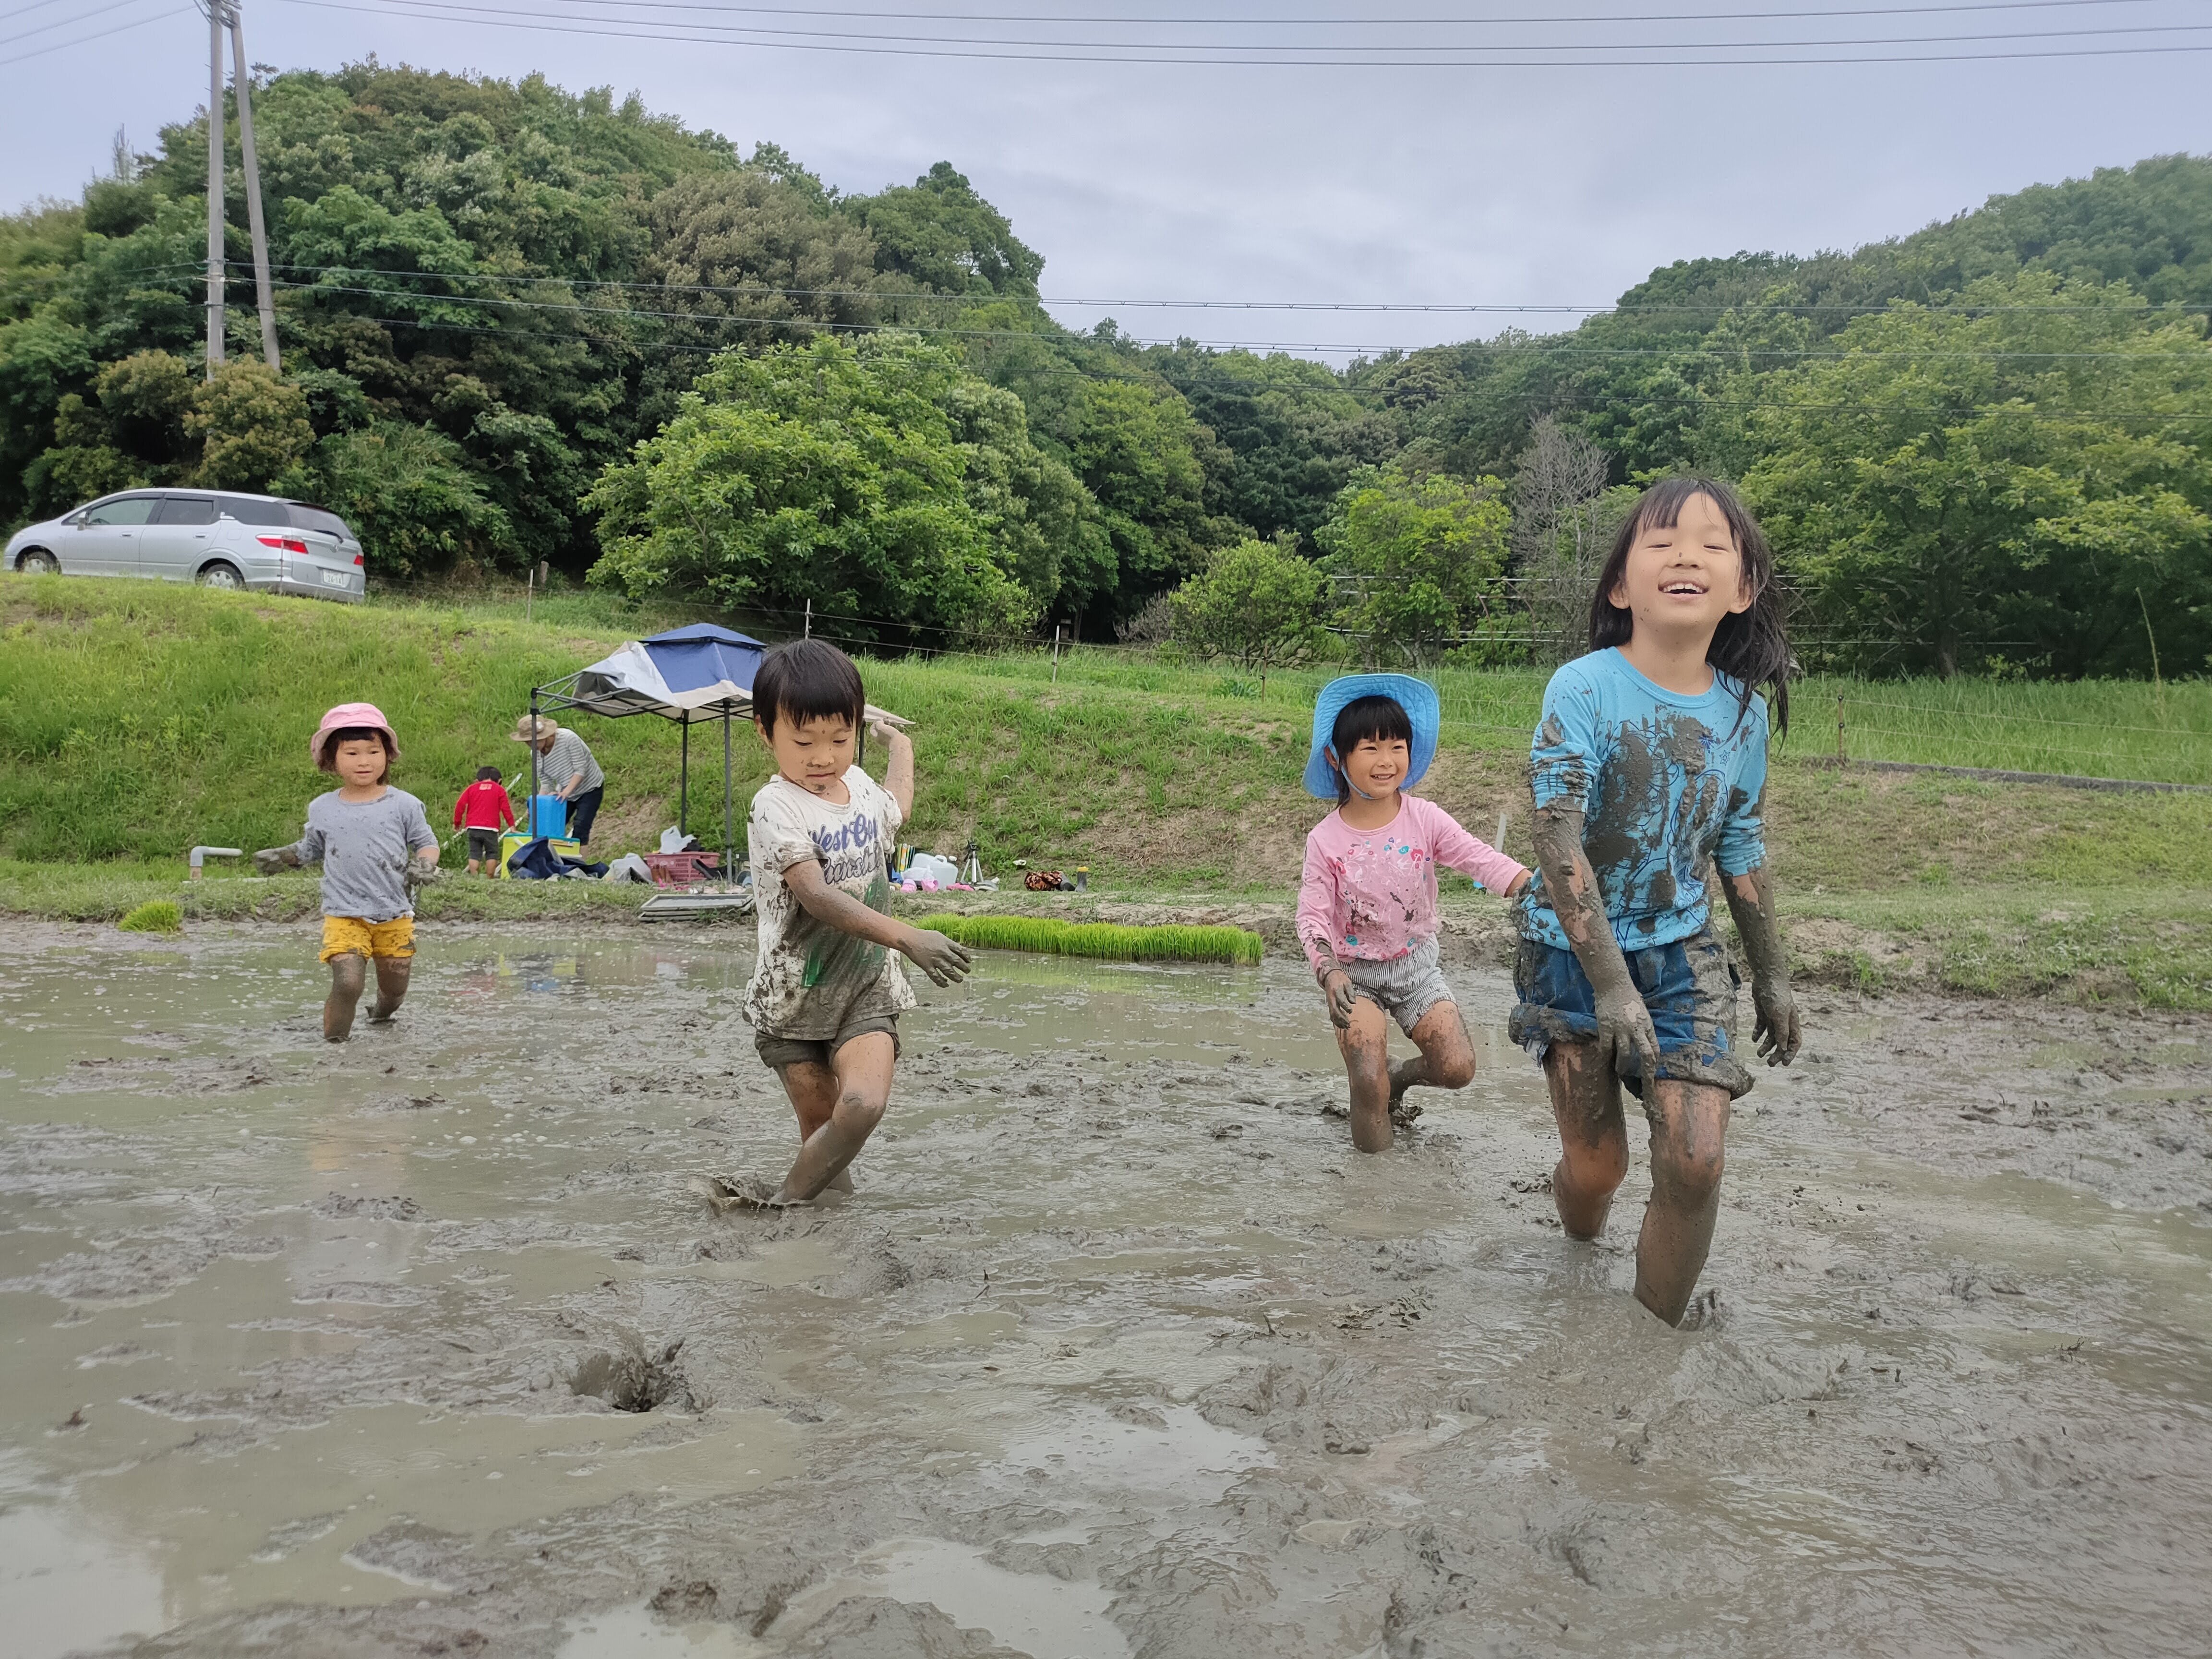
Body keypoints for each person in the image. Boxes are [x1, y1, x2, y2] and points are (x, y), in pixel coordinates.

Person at [1512, 476, 1802, 1328]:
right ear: (1618, 586)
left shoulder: (1743, 713)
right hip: (1571, 956)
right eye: (1663, 542)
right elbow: (1556, 841)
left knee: (1696, 1159)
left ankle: (1648, 1342)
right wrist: (1609, 983)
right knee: (1597, 1167)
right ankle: (1576, 1256)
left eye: (1712, 545)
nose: (1687, 557)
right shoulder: (1582, 688)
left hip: (1682, 955)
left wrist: (1773, 974)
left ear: (1743, 589)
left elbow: (1740, 842)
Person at [705, 639, 974, 1210]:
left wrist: (900, 744)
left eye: (840, 738)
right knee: (823, 1131)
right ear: (766, 732)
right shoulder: (775, 805)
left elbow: (898, 803)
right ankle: (821, 1229)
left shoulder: (863, 791)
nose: (823, 756)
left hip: (864, 987)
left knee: (862, 1106)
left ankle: (779, 1207)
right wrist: (907, 936)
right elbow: (815, 894)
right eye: (804, 742)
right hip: (793, 996)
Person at [1297, 675, 1531, 1154]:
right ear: (1336, 759)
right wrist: (1329, 972)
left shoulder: (1424, 819)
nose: (1386, 761)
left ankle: (1399, 1078)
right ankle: (1374, 1185)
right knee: (1367, 1080)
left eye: (1397, 747)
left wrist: (1534, 887)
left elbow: (1479, 858)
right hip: (1354, 975)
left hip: (1416, 969)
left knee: (1457, 1068)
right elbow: (1312, 917)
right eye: (1370, 749)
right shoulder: (1325, 841)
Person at [254, 702, 440, 1042]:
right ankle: (335, 1047)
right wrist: (283, 856)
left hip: (394, 913)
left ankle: (381, 1012)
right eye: (352, 753)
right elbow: (311, 849)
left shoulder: (404, 804)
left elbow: (426, 843)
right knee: (348, 982)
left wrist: (425, 864)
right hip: (343, 913)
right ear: (332, 760)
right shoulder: (323, 807)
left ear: (388, 755)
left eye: (373, 752)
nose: (364, 761)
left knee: (395, 988)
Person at [510, 714, 604, 845]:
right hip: (564, 790)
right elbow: (546, 781)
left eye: (533, 741)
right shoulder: (535, 754)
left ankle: (580, 858)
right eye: (527, 743)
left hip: (590, 787)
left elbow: (581, 769)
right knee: (552, 825)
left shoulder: (568, 738)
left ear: (544, 736)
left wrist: (566, 792)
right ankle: (554, 856)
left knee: (581, 828)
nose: (531, 746)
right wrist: (539, 806)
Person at [453, 765, 516, 876]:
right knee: (492, 853)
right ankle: (490, 877)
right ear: (499, 781)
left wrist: (457, 823)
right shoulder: (499, 790)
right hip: (491, 828)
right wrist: (512, 825)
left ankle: (474, 876)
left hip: (473, 827)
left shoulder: (471, 788)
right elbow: (506, 809)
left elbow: (460, 805)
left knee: (474, 853)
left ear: (477, 781)